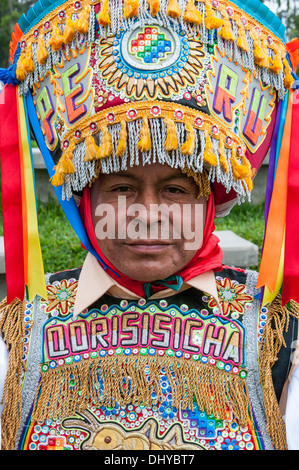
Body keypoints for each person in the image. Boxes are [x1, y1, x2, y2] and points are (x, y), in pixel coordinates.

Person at [0, 0, 299, 451]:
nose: (148, 213)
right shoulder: (18, 334)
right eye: (121, 188)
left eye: (177, 190)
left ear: (209, 203)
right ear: (84, 201)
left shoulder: (277, 335)